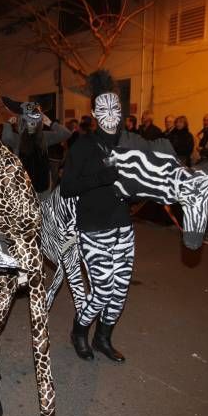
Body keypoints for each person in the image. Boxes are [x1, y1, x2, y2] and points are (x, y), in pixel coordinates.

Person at [60, 70, 133, 363]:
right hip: (94, 229)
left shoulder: (128, 144)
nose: (110, 114)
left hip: (124, 228)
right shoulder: (83, 146)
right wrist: (101, 177)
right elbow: (67, 188)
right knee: (102, 292)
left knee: (120, 291)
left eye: (115, 107)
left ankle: (103, 338)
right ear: (93, 113)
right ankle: (79, 332)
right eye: (103, 108)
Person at [0, 98, 72, 193]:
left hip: (32, 186)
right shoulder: (37, 138)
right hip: (34, 185)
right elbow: (66, 133)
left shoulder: (36, 138)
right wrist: (50, 123)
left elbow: (66, 134)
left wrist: (8, 123)